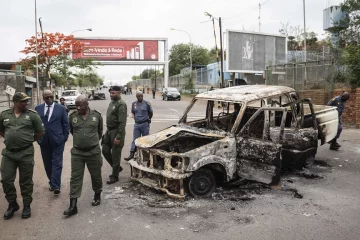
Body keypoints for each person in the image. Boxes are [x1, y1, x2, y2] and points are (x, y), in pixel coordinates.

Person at [0, 92, 44, 219]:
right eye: (23, 101)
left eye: (27, 101)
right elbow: (1, 130)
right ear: (16, 102)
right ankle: (12, 204)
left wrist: (27, 141)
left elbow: (40, 132)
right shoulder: (4, 115)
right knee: (6, 180)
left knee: (25, 182)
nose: (27, 103)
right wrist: (11, 139)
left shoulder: (32, 115)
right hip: (9, 153)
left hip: (26, 153)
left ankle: (26, 206)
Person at [64, 96, 103, 217]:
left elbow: (100, 132)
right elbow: (72, 131)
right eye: (76, 105)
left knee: (96, 176)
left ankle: (97, 194)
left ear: (87, 104)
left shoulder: (96, 116)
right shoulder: (73, 116)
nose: (78, 108)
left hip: (93, 152)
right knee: (75, 178)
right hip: (77, 153)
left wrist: (91, 142)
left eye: (80, 105)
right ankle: (73, 205)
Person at [35, 90, 69, 195]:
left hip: (58, 141)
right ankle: (52, 182)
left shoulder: (61, 108)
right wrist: (38, 138)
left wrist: (64, 138)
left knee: (57, 163)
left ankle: (56, 185)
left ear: (53, 96)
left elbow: (65, 124)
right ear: (43, 98)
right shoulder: (38, 109)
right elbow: (35, 125)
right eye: (46, 97)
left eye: (50, 97)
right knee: (47, 164)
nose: (49, 99)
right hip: (44, 141)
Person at [102, 86, 127, 184]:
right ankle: (117, 168)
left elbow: (122, 122)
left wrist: (118, 136)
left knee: (116, 154)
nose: (111, 95)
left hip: (117, 132)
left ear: (119, 93)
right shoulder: (112, 102)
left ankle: (115, 176)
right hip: (109, 131)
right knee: (105, 150)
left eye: (113, 93)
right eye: (111, 93)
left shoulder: (121, 104)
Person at [124, 92, 153, 161]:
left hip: (145, 124)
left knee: (146, 139)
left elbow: (151, 112)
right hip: (137, 124)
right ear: (136, 97)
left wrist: (149, 119)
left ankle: (146, 155)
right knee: (135, 139)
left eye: (141, 96)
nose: (140, 97)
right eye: (138, 96)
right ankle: (132, 153)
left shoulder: (147, 103)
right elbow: (133, 112)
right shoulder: (134, 104)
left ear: (142, 96)